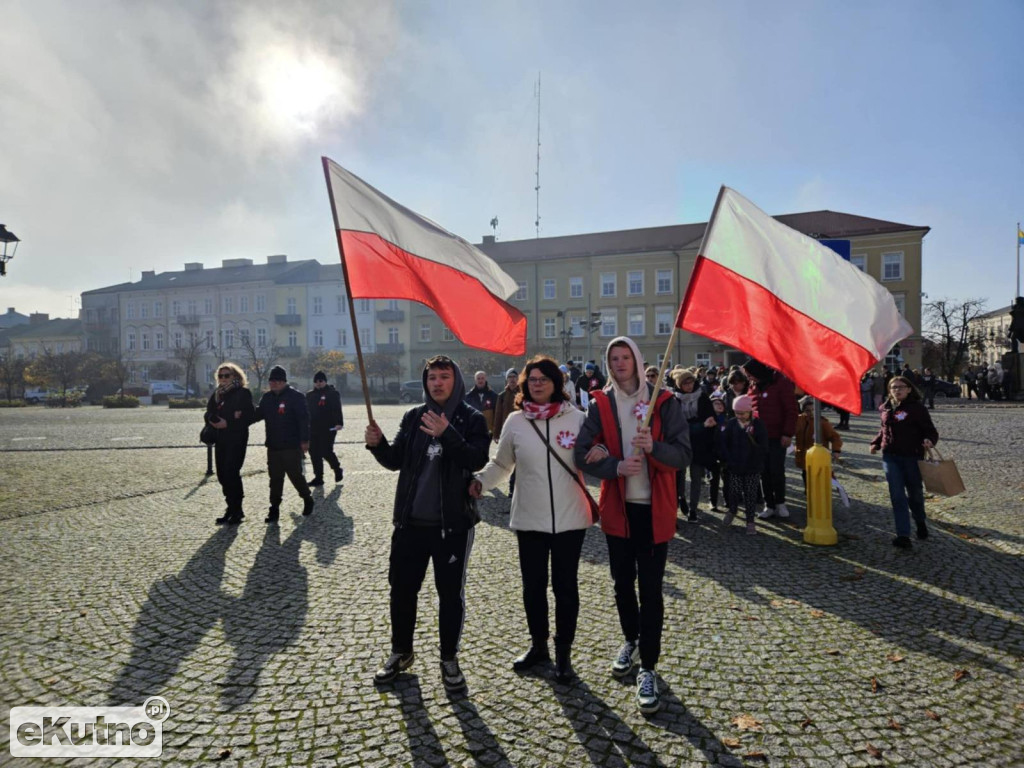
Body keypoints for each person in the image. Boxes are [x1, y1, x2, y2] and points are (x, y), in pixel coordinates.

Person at [573, 337, 690, 714]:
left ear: (638, 361)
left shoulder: (665, 402)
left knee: (651, 588)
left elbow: (684, 454)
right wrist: (615, 465)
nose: (620, 363)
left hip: (654, 510)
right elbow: (581, 454)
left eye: (625, 357)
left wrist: (654, 447)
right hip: (618, 511)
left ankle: (650, 667)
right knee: (622, 582)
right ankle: (630, 639)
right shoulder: (601, 403)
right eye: (614, 358)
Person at [365, 355, 489, 691]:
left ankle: (449, 658)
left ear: (456, 380)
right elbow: (395, 462)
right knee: (402, 591)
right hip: (410, 524)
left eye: (444, 376)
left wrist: (447, 433)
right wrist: (377, 446)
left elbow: (476, 458)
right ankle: (401, 652)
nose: (437, 383)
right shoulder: (414, 416)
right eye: (432, 377)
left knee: (450, 595)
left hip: (452, 525)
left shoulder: (472, 418)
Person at [469, 356, 593, 682]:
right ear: (525, 384)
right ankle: (539, 646)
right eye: (532, 380)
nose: (537, 384)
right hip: (529, 518)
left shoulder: (578, 419)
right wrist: (480, 481)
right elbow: (502, 465)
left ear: (556, 384)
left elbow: (592, 460)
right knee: (533, 587)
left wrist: (605, 456)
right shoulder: (515, 421)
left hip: (570, 518)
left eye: (543, 379)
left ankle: (563, 653)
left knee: (565, 588)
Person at [869, 375, 938, 550]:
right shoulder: (885, 408)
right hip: (890, 456)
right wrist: (876, 443)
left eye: (901, 387)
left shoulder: (917, 409)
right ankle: (903, 535)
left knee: (915, 494)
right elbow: (884, 428)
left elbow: (930, 431)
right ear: (889, 390)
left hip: (912, 457)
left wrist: (929, 440)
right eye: (893, 387)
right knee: (897, 495)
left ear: (909, 389)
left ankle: (920, 520)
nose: (897, 390)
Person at [252, 365, 314, 523]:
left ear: (283, 381)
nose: (273, 384)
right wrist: (240, 416)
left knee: (295, 475)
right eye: (271, 381)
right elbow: (257, 415)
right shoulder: (267, 398)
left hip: (291, 445)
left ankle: (307, 498)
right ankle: (274, 509)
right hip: (273, 445)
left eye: (276, 381)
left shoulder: (296, 396)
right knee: (275, 479)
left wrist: (305, 440)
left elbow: (303, 419)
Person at [741, 358, 797, 520]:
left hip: (777, 436)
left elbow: (791, 410)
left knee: (777, 470)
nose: (749, 378)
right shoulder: (753, 388)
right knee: (763, 472)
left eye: (750, 375)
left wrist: (787, 433)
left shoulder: (781, 384)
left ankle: (780, 502)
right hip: (758, 438)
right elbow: (749, 410)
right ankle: (769, 505)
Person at [205, 362, 255, 525]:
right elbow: (208, 412)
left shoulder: (243, 393)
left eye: (227, 375)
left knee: (231, 472)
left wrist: (229, 423)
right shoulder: (218, 394)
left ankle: (237, 509)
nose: (223, 379)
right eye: (221, 376)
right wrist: (213, 420)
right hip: (220, 439)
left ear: (235, 376)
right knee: (221, 475)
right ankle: (230, 506)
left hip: (236, 439)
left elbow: (248, 416)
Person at [716, 395, 768, 534]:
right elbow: (724, 443)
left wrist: (758, 459)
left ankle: (750, 520)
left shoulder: (758, 425)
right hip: (735, 466)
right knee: (734, 492)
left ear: (749, 411)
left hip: (752, 467)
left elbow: (763, 446)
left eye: (742, 413)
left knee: (750, 495)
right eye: (736, 413)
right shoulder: (731, 424)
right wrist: (726, 459)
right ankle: (732, 510)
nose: (739, 416)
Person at [671, 368, 715, 524]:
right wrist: (699, 425)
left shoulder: (703, 397)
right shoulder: (674, 400)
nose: (689, 386)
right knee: (679, 478)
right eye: (685, 383)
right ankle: (680, 499)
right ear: (679, 385)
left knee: (696, 477)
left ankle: (693, 509)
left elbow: (710, 420)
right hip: (681, 444)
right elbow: (676, 425)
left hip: (699, 445)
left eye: (691, 382)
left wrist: (703, 425)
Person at [793, 396, 842, 488]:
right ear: (803, 410)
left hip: (818, 457)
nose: (811, 413)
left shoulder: (822, 422)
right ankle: (809, 493)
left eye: (813, 410)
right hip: (803, 455)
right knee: (805, 475)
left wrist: (836, 450)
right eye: (807, 410)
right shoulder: (798, 420)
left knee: (817, 478)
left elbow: (835, 437)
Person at [305, 370, 344, 486]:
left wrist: (339, 422)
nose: (318, 383)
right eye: (316, 381)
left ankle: (337, 469)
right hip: (313, 427)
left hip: (328, 427)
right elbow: (306, 411)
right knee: (314, 453)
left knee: (326, 451)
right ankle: (318, 477)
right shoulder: (310, 395)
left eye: (320, 381)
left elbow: (337, 408)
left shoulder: (332, 393)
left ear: (325, 381)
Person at [492, 368, 520, 499]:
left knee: (520, 460)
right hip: (506, 431)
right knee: (509, 461)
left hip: (521, 431)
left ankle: (516, 488)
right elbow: (497, 415)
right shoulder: (502, 396)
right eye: (510, 377)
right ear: (507, 379)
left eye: (514, 377)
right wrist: (496, 433)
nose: (512, 379)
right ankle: (512, 487)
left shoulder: (524, 393)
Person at [464, 370, 498, 435]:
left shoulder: (494, 396)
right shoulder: (468, 397)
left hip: (489, 431)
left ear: (485, 379)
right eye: (478, 378)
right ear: (475, 380)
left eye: (482, 378)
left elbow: (496, 414)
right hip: (473, 431)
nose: (480, 380)